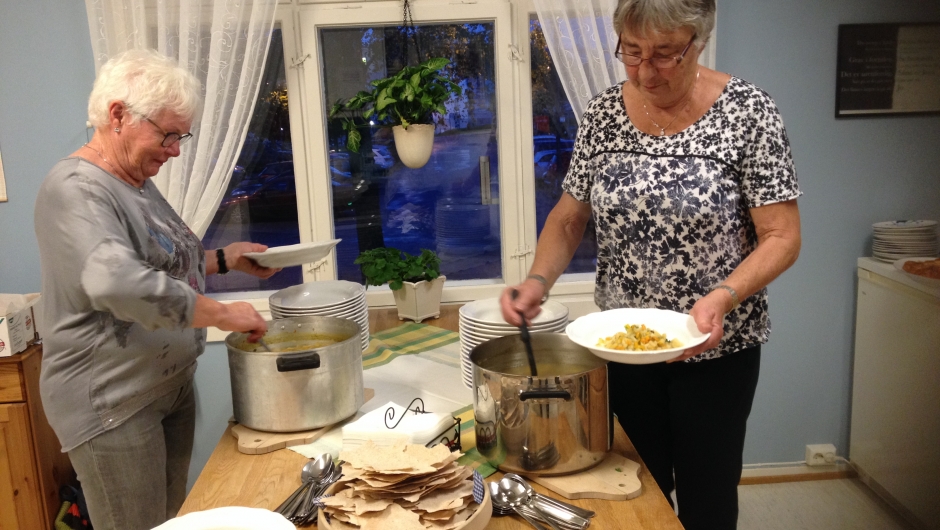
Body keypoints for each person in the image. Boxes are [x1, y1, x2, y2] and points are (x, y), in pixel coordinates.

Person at [500, 1, 802, 528]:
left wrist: (723, 296)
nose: (644, 71)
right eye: (631, 52)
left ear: (699, 41)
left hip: (717, 349)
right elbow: (570, 219)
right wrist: (537, 281)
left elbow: (782, 235)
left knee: (708, 496)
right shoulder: (603, 114)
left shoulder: (749, 112)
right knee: (635, 490)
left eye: (664, 54)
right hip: (622, 350)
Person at [34, 49, 280, 530]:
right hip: (112, 402)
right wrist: (224, 315)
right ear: (118, 115)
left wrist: (226, 260)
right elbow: (116, 281)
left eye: (180, 135)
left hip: (164, 387)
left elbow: (159, 263)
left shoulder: (135, 180)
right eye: (167, 134)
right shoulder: (76, 189)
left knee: (167, 522)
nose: (175, 149)